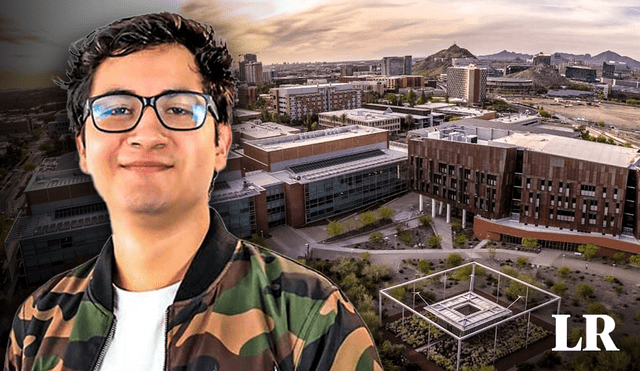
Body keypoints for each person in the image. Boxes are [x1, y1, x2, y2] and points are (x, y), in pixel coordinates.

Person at [4, 13, 381, 371]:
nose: (147, 135)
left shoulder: (307, 317)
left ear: (220, 142)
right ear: (83, 147)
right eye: (116, 109)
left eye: (180, 108)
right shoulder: (39, 322)